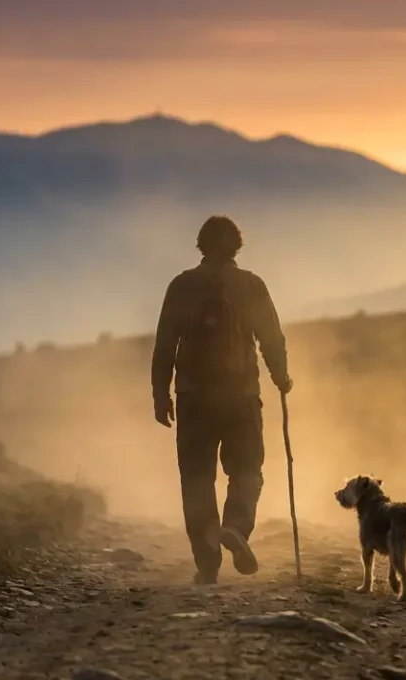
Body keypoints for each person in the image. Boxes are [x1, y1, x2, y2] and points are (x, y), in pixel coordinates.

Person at [151, 215, 293, 585]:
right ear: (237, 246)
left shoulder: (182, 286)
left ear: (200, 244)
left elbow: (165, 343)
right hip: (241, 394)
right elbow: (271, 337)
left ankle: (207, 562)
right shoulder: (250, 285)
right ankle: (235, 526)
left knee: (197, 479)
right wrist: (281, 376)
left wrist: (159, 393)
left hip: (193, 397)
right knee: (247, 469)